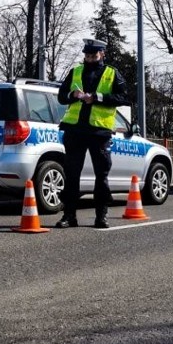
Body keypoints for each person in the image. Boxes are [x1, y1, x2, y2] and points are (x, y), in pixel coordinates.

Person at [54, 38, 130, 229]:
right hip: (75, 130)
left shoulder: (112, 73)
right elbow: (62, 96)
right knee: (71, 174)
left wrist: (97, 98)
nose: (90, 59)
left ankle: (101, 216)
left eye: (93, 56)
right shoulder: (75, 72)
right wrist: (73, 95)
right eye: (87, 56)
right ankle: (69, 215)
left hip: (99, 132)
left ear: (102, 54)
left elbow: (123, 97)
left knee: (101, 175)